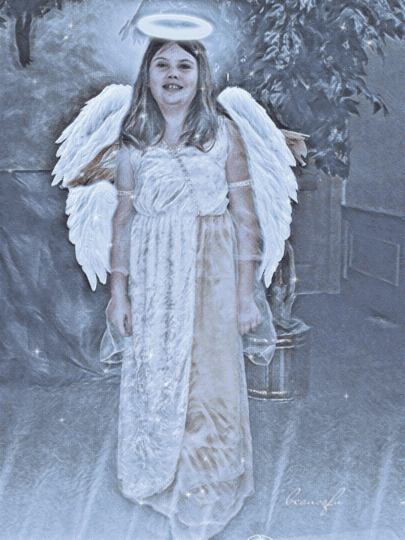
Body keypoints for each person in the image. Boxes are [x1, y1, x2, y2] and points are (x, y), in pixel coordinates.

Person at [103, 38, 263, 539]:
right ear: (148, 75)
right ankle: (162, 469)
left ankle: (206, 477)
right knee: (157, 369)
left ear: (200, 75)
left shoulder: (223, 134)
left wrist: (245, 295)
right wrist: (119, 293)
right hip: (153, 272)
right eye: (162, 65)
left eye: (184, 66)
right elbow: (123, 220)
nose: (173, 75)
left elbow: (245, 218)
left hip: (211, 267)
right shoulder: (133, 140)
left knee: (209, 373)